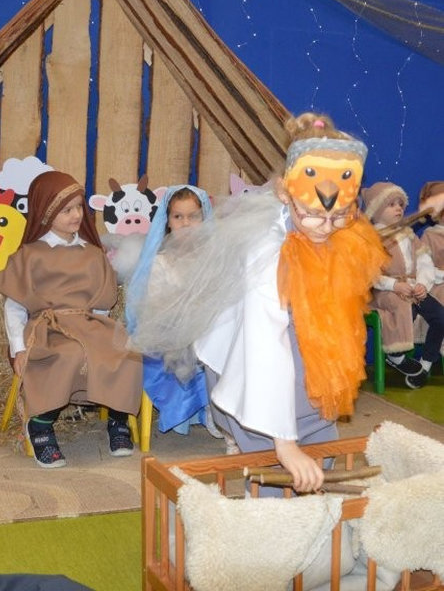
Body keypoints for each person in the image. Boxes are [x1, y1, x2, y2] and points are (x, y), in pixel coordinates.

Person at [130, 113, 387, 492]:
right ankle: (267, 502)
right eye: (313, 214)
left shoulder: (339, 234)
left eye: (338, 216)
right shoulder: (268, 255)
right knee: (276, 476)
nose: (325, 226)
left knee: (321, 463)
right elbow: (265, 345)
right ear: (285, 194)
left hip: (306, 359)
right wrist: (284, 444)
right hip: (251, 365)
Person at [0, 171, 142, 468]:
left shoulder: (93, 254)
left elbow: (101, 306)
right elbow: (15, 308)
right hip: (47, 328)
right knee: (68, 354)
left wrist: (102, 335)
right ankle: (40, 424)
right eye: (66, 210)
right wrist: (18, 349)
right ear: (45, 213)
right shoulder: (29, 255)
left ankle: (118, 420)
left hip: (87, 323)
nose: (76, 215)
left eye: (79, 207)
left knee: (124, 352)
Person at [126, 185, 224, 440]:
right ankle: (209, 406)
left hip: (206, 327)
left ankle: (220, 406)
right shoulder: (160, 261)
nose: (186, 223)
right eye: (178, 217)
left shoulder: (214, 259)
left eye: (193, 216)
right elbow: (155, 305)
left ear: (205, 218)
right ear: (168, 222)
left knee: (224, 337)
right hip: (169, 331)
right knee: (191, 344)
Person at [361, 181, 444, 389]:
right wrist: (394, 285)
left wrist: (422, 284)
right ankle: (396, 355)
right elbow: (369, 273)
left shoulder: (408, 234)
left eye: (400, 204)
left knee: (439, 316)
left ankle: (426, 363)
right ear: (376, 209)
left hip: (413, 287)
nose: (398, 208)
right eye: (391, 204)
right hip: (384, 290)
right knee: (403, 306)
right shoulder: (371, 239)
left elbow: (424, 260)